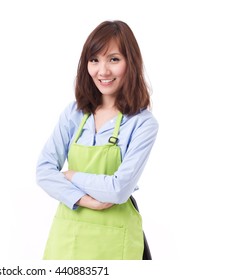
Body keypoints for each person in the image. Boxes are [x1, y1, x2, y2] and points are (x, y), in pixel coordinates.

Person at [36, 20, 158, 260]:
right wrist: (84, 200)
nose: (102, 71)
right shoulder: (74, 113)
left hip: (115, 240)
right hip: (68, 235)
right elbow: (43, 171)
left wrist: (70, 176)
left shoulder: (142, 123)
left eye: (113, 59)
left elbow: (118, 190)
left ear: (130, 63)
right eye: (94, 60)